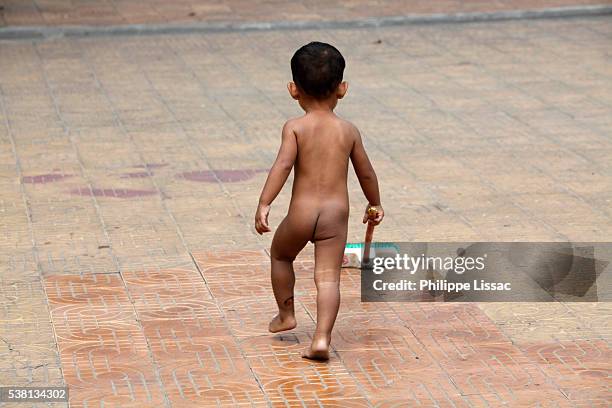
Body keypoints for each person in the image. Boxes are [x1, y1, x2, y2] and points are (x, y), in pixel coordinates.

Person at [254, 42, 383, 361]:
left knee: (281, 255)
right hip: (335, 215)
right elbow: (366, 171)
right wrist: (375, 202)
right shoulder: (348, 131)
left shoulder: (295, 128)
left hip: (301, 211)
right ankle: (322, 338)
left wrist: (265, 202)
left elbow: (282, 166)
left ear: (293, 90)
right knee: (327, 277)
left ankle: (286, 314)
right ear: (342, 89)